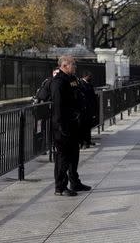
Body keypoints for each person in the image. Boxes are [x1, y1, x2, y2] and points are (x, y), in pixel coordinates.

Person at [51, 55, 91, 196]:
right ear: (65, 65)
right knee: (62, 158)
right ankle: (60, 187)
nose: (75, 66)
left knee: (74, 155)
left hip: (74, 124)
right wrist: (61, 127)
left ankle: (75, 182)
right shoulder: (58, 82)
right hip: (63, 126)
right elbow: (58, 107)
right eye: (73, 64)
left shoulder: (72, 79)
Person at [79, 70, 97, 149]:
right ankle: (84, 142)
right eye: (89, 76)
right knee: (84, 126)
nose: (90, 78)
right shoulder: (81, 84)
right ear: (85, 76)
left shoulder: (89, 84)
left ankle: (88, 140)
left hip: (89, 108)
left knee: (88, 125)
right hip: (84, 108)